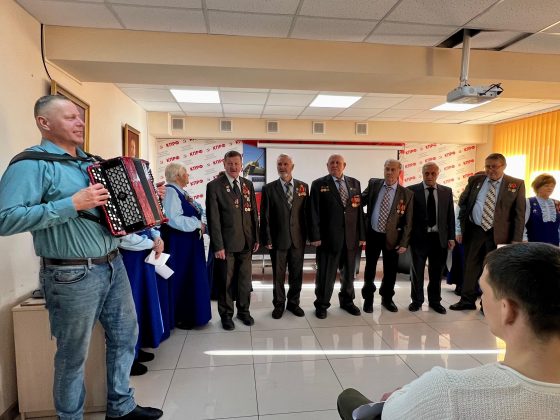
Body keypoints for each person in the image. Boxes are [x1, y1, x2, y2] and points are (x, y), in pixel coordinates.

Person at [0, 95, 162, 419]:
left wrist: (142, 206)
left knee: (125, 337)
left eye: (80, 117)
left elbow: (110, 215)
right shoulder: (31, 164)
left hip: (113, 264)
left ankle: (121, 406)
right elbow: (5, 219)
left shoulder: (92, 164)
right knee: (72, 355)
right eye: (70, 117)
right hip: (70, 274)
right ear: (44, 123)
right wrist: (71, 204)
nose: (80, 122)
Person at [337, 242, 560, 420]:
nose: (481, 300)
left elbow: (390, 414)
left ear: (507, 310)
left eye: (484, 291)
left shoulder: (448, 392)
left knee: (351, 401)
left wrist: (403, 400)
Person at [451, 153, 525, 311]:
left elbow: (519, 214)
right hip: (475, 231)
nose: (490, 170)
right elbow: (463, 204)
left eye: (494, 167)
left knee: (492, 270)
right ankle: (467, 301)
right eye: (487, 166)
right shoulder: (475, 180)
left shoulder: (516, 184)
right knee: (470, 267)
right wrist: (459, 229)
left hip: (499, 234)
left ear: (503, 166)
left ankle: (488, 306)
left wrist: (516, 240)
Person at [206, 150, 259, 330]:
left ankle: (244, 311)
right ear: (224, 164)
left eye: (237, 164)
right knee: (225, 282)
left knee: (244, 281)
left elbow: (253, 213)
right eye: (230, 164)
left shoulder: (247, 184)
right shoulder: (214, 186)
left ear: (241, 165)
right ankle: (226, 315)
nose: (234, 167)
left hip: (246, 242)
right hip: (226, 245)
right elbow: (213, 219)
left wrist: (256, 237)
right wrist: (218, 246)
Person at [309, 154, 365, 319]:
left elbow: (358, 211)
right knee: (326, 275)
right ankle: (322, 304)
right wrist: (315, 236)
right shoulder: (318, 184)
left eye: (338, 163)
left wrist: (362, 235)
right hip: (328, 239)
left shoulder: (355, 183)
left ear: (344, 165)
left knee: (349, 274)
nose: (335, 165)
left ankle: (347, 301)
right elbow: (313, 212)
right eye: (331, 163)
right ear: (327, 166)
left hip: (351, 239)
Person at [160, 162, 211, 331]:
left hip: (188, 243)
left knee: (191, 277)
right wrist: (197, 224)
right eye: (186, 173)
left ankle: (192, 315)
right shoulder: (171, 192)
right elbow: (173, 219)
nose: (188, 175)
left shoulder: (182, 192)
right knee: (182, 278)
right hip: (179, 244)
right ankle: (181, 316)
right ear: (177, 176)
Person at [260, 154, 308, 319]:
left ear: (292, 167)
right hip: (277, 240)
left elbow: (306, 214)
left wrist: (309, 236)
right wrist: (267, 238)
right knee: (278, 276)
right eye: (279, 164)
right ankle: (279, 304)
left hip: (298, 240)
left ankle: (294, 303)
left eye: (285, 164)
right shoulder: (268, 189)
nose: (282, 167)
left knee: (297, 274)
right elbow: (265, 216)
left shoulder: (303, 187)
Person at [361, 159, 413, 313]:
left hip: (393, 238)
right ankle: (368, 299)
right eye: (387, 169)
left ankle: (387, 299)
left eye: (393, 169)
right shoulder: (374, 184)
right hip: (373, 234)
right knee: (370, 268)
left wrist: (404, 242)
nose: (389, 172)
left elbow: (408, 221)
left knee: (390, 271)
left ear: (399, 172)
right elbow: (360, 201)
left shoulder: (407, 194)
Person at [407, 162, 455, 314]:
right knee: (417, 272)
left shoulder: (446, 191)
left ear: (437, 174)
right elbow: (407, 217)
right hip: (419, 239)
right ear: (422, 174)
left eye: (433, 173)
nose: (429, 176)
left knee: (436, 273)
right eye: (426, 173)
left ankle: (435, 301)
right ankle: (417, 301)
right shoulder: (411, 190)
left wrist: (451, 237)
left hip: (439, 239)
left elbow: (450, 216)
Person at [119, 229, 165, 376]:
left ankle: (137, 347)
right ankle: (129, 357)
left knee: (144, 301)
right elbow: (122, 237)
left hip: (144, 253)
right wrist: (151, 243)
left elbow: (150, 223)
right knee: (131, 306)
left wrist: (157, 238)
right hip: (129, 257)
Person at [525, 173, 560, 246]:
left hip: (554, 245)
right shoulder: (528, 202)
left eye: (552, 186)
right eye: (546, 185)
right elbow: (522, 224)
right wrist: (524, 240)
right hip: (533, 245)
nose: (550, 188)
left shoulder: (557, 203)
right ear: (537, 187)